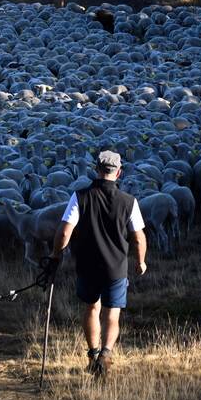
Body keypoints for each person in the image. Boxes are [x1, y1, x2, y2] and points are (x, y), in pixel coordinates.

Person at [40, 150, 148, 378]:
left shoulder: (80, 196)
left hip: (87, 265)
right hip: (116, 267)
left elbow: (64, 231)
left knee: (91, 308)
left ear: (96, 170)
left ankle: (93, 355)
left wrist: (55, 256)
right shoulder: (129, 202)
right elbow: (138, 237)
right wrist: (140, 261)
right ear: (119, 173)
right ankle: (106, 355)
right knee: (112, 314)